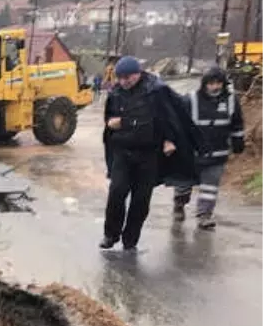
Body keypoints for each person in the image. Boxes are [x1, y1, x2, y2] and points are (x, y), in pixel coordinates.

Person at [101, 56, 199, 252]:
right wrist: (111, 123)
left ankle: (130, 240)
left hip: (148, 154)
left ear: (138, 73)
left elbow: (169, 116)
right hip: (123, 151)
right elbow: (110, 119)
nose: (124, 81)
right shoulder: (116, 93)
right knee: (117, 192)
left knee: (141, 199)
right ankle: (110, 235)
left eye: (128, 77)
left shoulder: (155, 91)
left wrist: (170, 139)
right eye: (120, 78)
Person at [173, 65, 245, 230]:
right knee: (184, 184)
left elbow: (237, 123)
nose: (215, 87)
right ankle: (179, 203)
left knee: (210, 186)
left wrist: (238, 141)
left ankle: (204, 215)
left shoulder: (231, 101)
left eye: (218, 83)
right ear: (204, 84)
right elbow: (178, 123)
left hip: (217, 152)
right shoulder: (190, 99)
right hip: (192, 153)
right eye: (211, 83)